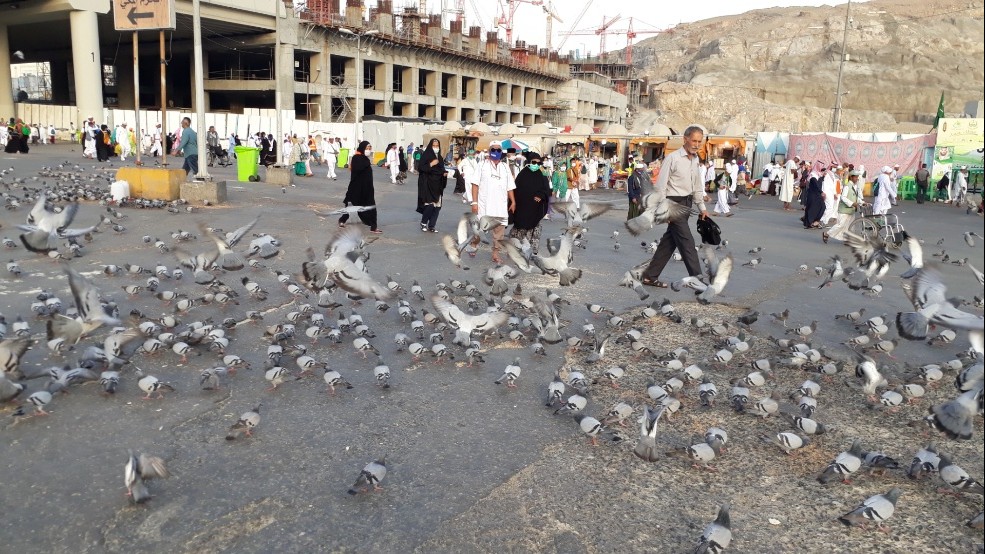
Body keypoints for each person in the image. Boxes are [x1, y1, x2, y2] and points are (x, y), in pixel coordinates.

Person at [638, 125, 709, 288]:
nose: (697, 144)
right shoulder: (673, 158)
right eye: (694, 140)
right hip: (673, 203)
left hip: (687, 202)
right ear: (685, 139)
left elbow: (697, 185)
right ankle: (697, 279)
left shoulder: (696, 159)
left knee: (669, 242)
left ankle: (650, 275)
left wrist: (702, 207)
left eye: (700, 141)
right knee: (687, 241)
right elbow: (661, 187)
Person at [469, 140, 516, 264]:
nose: (496, 152)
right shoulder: (482, 165)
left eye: (498, 150)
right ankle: (474, 244)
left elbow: (510, 186)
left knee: (499, 234)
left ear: (502, 152)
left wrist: (513, 201)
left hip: (500, 206)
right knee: (479, 231)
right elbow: (475, 184)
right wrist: (474, 203)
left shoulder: (505, 167)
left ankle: (495, 253)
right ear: (489, 151)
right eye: (493, 150)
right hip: (484, 204)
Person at [508, 152, 551, 255]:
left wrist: (540, 195)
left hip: (535, 209)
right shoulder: (522, 175)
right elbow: (514, 190)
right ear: (529, 162)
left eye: (538, 163)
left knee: (534, 229)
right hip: (522, 208)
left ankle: (532, 252)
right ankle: (515, 251)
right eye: (533, 162)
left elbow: (547, 191)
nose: (536, 164)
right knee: (519, 229)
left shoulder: (542, 176)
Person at [339, 141, 381, 233]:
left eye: (370, 148)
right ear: (362, 148)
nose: (368, 150)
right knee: (350, 205)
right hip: (356, 187)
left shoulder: (366, 159)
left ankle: (373, 226)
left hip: (367, 188)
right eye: (367, 148)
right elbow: (357, 170)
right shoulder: (356, 158)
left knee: (371, 206)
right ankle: (342, 220)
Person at [824, 169, 864, 244]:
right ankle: (827, 234)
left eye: (857, 177)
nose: (857, 178)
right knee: (840, 225)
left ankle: (848, 240)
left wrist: (863, 202)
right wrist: (852, 203)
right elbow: (843, 197)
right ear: (851, 177)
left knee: (851, 226)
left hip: (851, 210)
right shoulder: (847, 186)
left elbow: (855, 197)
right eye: (855, 177)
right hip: (844, 210)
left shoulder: (854, 186)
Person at [417, 139, 448, 233]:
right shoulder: (426, 155)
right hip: (428, 184)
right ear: (431, 146)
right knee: (429, 205)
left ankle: (432, 225)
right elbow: (420, 168)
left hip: (437, 184)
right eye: (434, 146)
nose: (436, 147)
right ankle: (423, 222)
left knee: (437, 206)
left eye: (437, 146)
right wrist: (431, 164)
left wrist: (444, 173)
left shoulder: (440, 157)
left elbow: (441, 168)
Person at [801, 161, 826, 228]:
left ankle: (815, 222)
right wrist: (821, 192)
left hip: (817, 195)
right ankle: (810, 223)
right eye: (820, 166)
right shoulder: (813, 175)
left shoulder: (818, 174)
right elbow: (815, 185)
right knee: (812, 209)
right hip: (813, 195)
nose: (821, 168)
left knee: (822, 207)